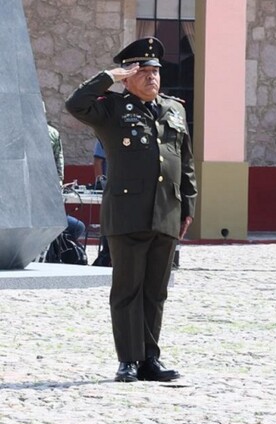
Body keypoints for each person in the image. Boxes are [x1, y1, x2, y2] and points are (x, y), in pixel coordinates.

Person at [65, 37, 198, 383]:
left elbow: (185, 162)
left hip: (167, 212)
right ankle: (128, 359)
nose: (152, 76)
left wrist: (189, 205)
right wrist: (109, 76)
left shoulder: (175, 109)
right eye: (143, 70)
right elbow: (75, 104)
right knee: (127, 289)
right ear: (128, 76)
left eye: (156, 71)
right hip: (127, 214)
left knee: (156, 290)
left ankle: (150, 359)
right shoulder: (111, 109)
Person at [48, 123, 85, 243]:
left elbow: (59, 163)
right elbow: (59, 164)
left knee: (76, 227)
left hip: (47, 195)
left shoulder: (52, 133)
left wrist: (58, 183)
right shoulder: (52, 133)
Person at [91, 139, 111, 267]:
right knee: (108, 221)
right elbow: (98, 162)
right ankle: (106, 254)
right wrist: (100, 184)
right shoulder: (103, 137)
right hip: (109, 187)